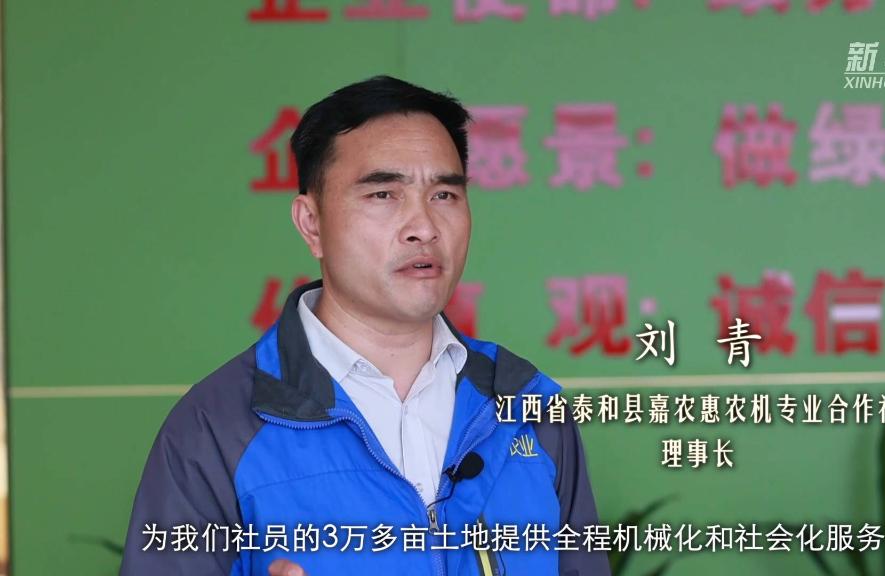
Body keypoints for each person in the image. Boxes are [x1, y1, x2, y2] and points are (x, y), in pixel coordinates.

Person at [119, 75, 611, 576]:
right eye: (383, 194)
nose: (424, 227)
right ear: (311, 223)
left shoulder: (527, 405)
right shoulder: (216, 428)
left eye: (444, 194)